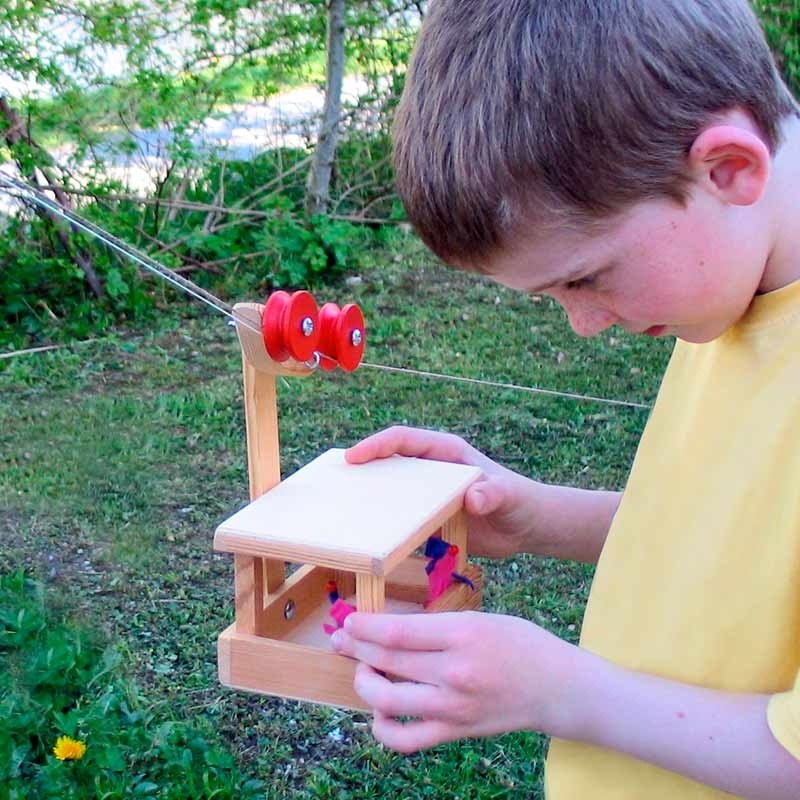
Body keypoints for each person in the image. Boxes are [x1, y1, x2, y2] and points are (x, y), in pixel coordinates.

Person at [328, 1, 800, 797]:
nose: (584, 323)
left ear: (726, 169)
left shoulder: (718, 269)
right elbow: (740, 544)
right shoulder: (733, 275)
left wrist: (558, 692)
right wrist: (540, 517)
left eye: (586, 277)